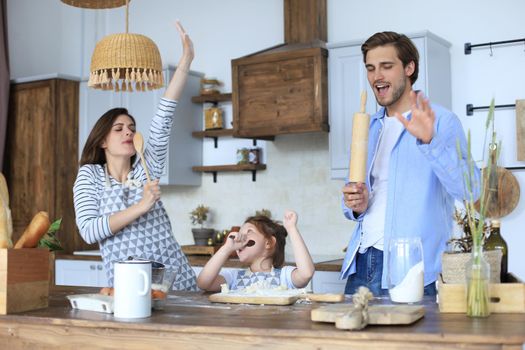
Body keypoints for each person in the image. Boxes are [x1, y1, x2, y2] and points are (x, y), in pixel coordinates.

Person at [341, 31, 480, 296]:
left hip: (414, 269)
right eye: (370, 68)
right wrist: (355, 205)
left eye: (386, 66)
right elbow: (354, 201)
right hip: (362, 263)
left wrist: (431, 142)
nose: (376, 76)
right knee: (351, 338)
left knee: (412, 339)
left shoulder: (441, 121)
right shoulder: (367, 127)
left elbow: (471, 190)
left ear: (409, 68)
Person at [73, 22, 197, 291]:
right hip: (131, 286)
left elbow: (164, 117)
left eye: (131, 128)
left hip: (177, 280)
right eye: (118, 129)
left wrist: (186, 61)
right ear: (102, 140)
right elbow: (89, 230)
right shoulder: (90, 175)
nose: (128, 132)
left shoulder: (145, 168)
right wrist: (142, 205)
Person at [197, 211, 314, 291]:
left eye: (249, 232)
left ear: (268, 242)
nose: (241, 238)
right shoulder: (233, 277)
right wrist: (226, 249)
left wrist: (291, 228)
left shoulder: (285, 276)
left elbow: (306, 273)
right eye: (240, 233)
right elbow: (203, 283)